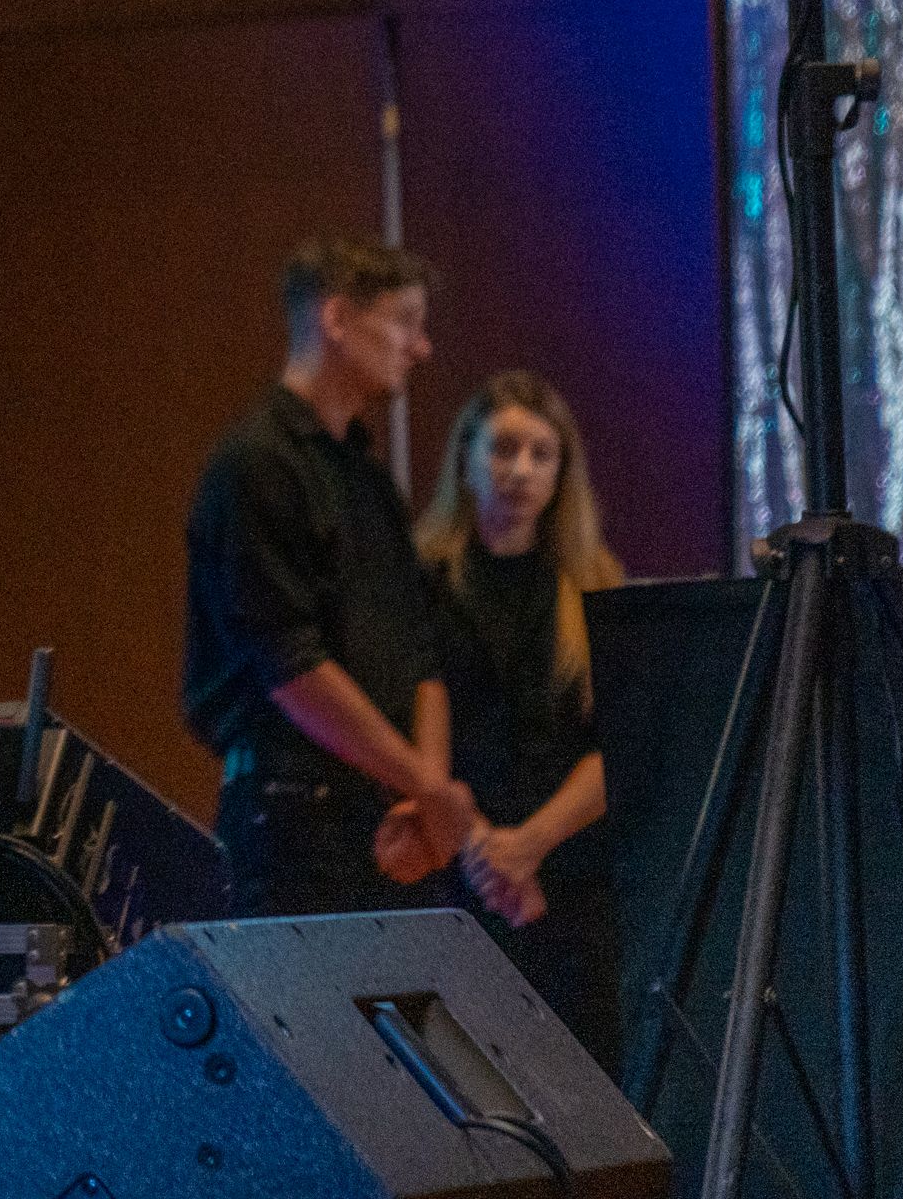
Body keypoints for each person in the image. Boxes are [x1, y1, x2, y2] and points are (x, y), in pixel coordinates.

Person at [181, 235, 475, 917]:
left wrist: (425, 798)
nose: (420, 346)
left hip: (383, 819)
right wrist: (428, 792)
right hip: (290, 823)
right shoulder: (256, 464)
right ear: (337, 320)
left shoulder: (369, 481)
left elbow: (419, 651)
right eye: (404, 321)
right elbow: (292, 669)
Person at [413, 370, 622, 1059]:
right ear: (466, 458)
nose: (520, 470)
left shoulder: (595, 585)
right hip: (454, 874)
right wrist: (488, 856)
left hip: (569, 881)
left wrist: (529, 845)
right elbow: (414, 745)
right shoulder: (422, 580)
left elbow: (614, 745)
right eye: (503, 449)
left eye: (542, 454)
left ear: (563, 474)